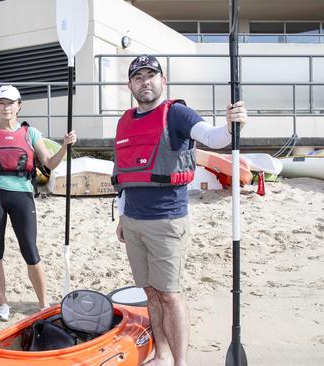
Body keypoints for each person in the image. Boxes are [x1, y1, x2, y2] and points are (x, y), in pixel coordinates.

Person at [112, 55, 247, 366]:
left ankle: (180, 362)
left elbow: (214, 138)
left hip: (167, 221)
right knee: (150, 292)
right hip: (133, 221)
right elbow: (122, 171)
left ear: (163, 80)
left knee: (170, 294)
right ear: (130, 84)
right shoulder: (125, 120)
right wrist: (122, 215)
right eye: (138, 77)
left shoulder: (176, 114)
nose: (145, 81)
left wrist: (230, 124)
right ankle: (160, 354)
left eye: (151, 75)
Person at [0, 85, 77, 321]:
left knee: (30, 250)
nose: (6, 107)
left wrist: (65, 146)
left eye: (11, 103)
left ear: (19, 106)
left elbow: (49, 163)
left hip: (22, 194)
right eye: (1, 103)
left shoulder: (31, 133)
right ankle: (3, 303)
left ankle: (43, 303)